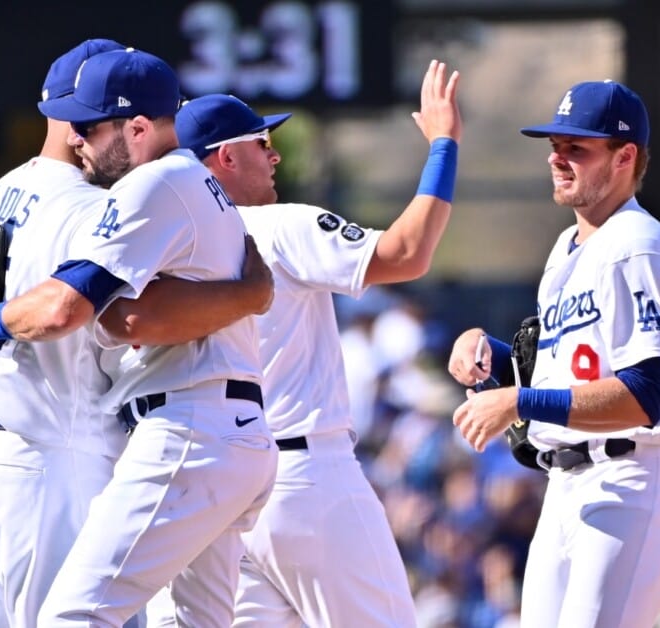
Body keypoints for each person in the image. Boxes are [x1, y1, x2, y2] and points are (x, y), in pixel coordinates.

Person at [0, 41, 271, 628]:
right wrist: (251, 292)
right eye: (81, 126)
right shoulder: (109, 201)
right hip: (54, 458)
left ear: (137, 125)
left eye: (90, 126)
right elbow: (115, 316)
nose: (80, 139)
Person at [166, 58, 461, 627]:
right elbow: (407, 254)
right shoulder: (276, 225)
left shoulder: (167, 250)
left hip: (219, 491)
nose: (274, 154)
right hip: (305, 480)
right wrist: (444, 146)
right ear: (224, 158)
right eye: (260, 142)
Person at [446, 80, 660, 627]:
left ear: (625, 156)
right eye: (555, 145)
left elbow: (644, 397)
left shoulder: (638, 246)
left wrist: (519, 401)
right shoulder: (567, 249)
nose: (558, 159)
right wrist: (485, 351)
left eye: (577, 148)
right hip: (566, 486)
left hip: (631, 483)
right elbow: (560, 371)